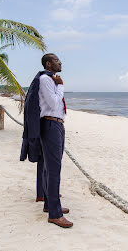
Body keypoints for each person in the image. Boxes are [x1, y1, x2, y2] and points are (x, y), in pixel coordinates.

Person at [20, 53, 73, 228]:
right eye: (57, 60)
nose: (61, 62)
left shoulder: (49, 80)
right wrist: (61, 86)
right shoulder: (46, 80)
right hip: (50, 125)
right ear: (49, 64)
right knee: (53, 169)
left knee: (48, 167)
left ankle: (49, 204)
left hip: (54, 125)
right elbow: (53, 103)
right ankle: (54, 214)